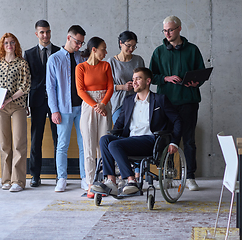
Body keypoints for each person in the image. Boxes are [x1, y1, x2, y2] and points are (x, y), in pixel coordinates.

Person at [91, 67, 181, 195]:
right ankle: (111, 181)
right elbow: (119, 124)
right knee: (105, 139)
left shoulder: (160, 99)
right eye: (133, 79)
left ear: (148, 81)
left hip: (150, 140)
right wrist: (113, 134)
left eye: (138, 79)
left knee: (114, 144)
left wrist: (174, 142)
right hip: (130, 140)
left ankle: (131, 181)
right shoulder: (128, 101)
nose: (134, 82)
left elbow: (177, 120)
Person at [149, 15, 205, 191]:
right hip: (167, 103)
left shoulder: (193, 50)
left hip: (188, 101)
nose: (167, 33)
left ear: (179, 29)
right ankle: (168, 175)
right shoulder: (158, 51)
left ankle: (189, 177)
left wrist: (197, 82)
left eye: (170, 30)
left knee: (188, 140)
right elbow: (151, 76)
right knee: (167, 141)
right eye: (165, 30)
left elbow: (201, 72)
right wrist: (165, 78)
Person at [0, 33, 31, 192]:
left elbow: (25, 86)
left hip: (18, 106)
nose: (9, 45)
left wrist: (9, 99)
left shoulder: (22, 63)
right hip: (0, 108)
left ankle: (18, 181)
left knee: (19, 143)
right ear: (2, 45)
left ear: (16, 44)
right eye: (6, 43)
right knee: (5, 144)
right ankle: (6, 180)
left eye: (12, 42)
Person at [46, 25, 87, 192]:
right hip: (63, 108)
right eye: (77, 42)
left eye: (81, 43)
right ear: (69, 38)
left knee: (84, 144)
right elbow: (50, 87)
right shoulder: (54, 59)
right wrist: (54, 110)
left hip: (82, 108)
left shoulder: (82, 58)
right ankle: (61, 178)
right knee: (62, 145)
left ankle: (85, 177)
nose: (79, 46)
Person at [76, 37, 114, 198]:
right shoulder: (81, 67)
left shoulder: (106, 65)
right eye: (103, 49)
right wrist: (95, 105)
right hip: (89, 107)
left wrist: (103, 104)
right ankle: (91, 183)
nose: (105, 52)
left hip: (104, 106)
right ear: (93, 49)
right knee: (89, 146)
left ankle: (103, 182)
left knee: (103, 146)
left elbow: (111, 87)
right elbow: (80, 90)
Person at [24, 20, 60, 187]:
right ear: (36, 34)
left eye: (47, 32)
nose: (45, 35)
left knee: (58, 139)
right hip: (37, 101)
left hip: (56, 102)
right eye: (42, 32)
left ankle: (60, 175)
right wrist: (25, 103)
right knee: (35, 139)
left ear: (50, 32)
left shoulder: (59, 51)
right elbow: (26, 81)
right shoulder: (29, 53)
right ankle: (35, 176)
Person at [107, 31, 145, 124]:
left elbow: (144, 81)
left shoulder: (138, 60)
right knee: (120, 133)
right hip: (119, 103)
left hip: (137, 102)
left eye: (134, 46)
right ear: (120, 43)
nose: (131, 49)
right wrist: (123, 87)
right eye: (128, 45)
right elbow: (107, 86)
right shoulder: (111, 62)